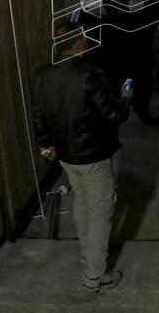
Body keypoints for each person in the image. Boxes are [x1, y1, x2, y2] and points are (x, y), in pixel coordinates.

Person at [31, 22, 132, 292]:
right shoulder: (90, 75)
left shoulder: (42, 76)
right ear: (79, 43)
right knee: (101, 209)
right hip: (93, 154)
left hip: (66, 154)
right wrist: (125, 98)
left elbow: (38, 116)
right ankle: (94, 276)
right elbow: (113, 115)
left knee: (82, 202)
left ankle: (88, 256)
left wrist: (45, 144)